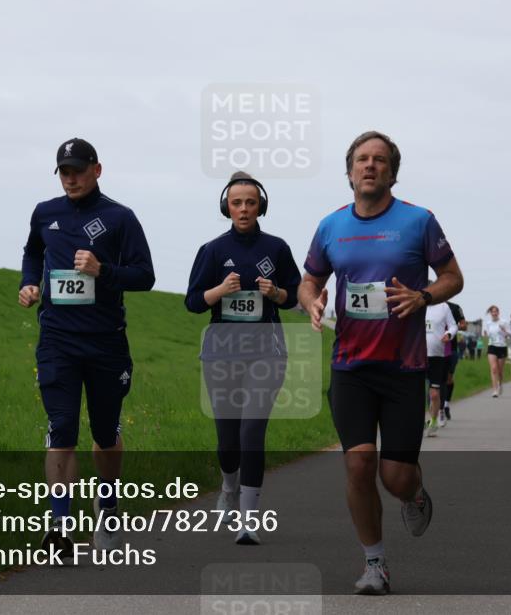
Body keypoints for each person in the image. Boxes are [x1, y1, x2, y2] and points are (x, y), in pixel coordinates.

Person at [299, 130, 464, 595]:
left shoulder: (418, 221)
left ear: (392, 172)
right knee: (358, 465)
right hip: (350, 367)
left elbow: (453, 277)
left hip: (403, 368)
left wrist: (423, 296)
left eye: (379, 160)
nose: (370, 166)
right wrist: (311, 301)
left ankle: (414, 491)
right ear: (349, 171)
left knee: (395, 476)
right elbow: (309, 280)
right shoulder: (331, 226)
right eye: (362, 159)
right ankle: (375, 564)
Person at [19, 137, 155, 556]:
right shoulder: (45, 213)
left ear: (97, 170)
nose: (71, 178)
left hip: (105, 342)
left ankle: (108, 504)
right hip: (57, 340)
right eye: (64, 172)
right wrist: (29, 283)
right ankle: (60, 527)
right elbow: (32, 252)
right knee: (61, 428)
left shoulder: (120, 217)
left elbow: (145, 275)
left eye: (78, 171)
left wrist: (103, 270)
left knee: (104, 432)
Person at [185, 171, 300, 545]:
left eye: (251, 202)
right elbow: (192, 302)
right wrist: (220, 290)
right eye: (237, 203)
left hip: (267, 352)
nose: (244, 209)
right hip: (221, 354)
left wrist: (277, 293)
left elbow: (296, 296)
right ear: (227, 207)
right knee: (227, 439)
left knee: (252, 431)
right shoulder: (212, 250)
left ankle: (249, 520)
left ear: (261, 206)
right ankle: (228, 487)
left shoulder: (277, 248)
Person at [425, 299, 458, 435]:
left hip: (436, 356)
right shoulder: (418, 304)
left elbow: (453, 326)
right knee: (415, 393)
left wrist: (449, 334)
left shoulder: (444, 307)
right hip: (417, 355)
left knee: (434, 394)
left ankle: (433, 421)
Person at [442, 303, 466, 422]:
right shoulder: (428, 306)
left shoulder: (455, 307)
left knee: (448, 379)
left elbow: (464, 326)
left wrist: (452, 328)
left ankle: (446, 404)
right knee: (434, 381)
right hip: (432, 349)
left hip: (451, 349)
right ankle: (437, 410)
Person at [483, 305, 510, 397]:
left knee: (500, 371)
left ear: (498, 312)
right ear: (490, 313)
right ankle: (495, 390)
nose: (494, 313)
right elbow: (488, 334)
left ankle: (500, 384)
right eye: (492, 312)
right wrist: (486, 335)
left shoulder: (504, 322)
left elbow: (508, 335)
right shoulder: (488, 323)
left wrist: (504, 331)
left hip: (502, 346)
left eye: (495, 311)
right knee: (494, 369)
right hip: (492, 346)